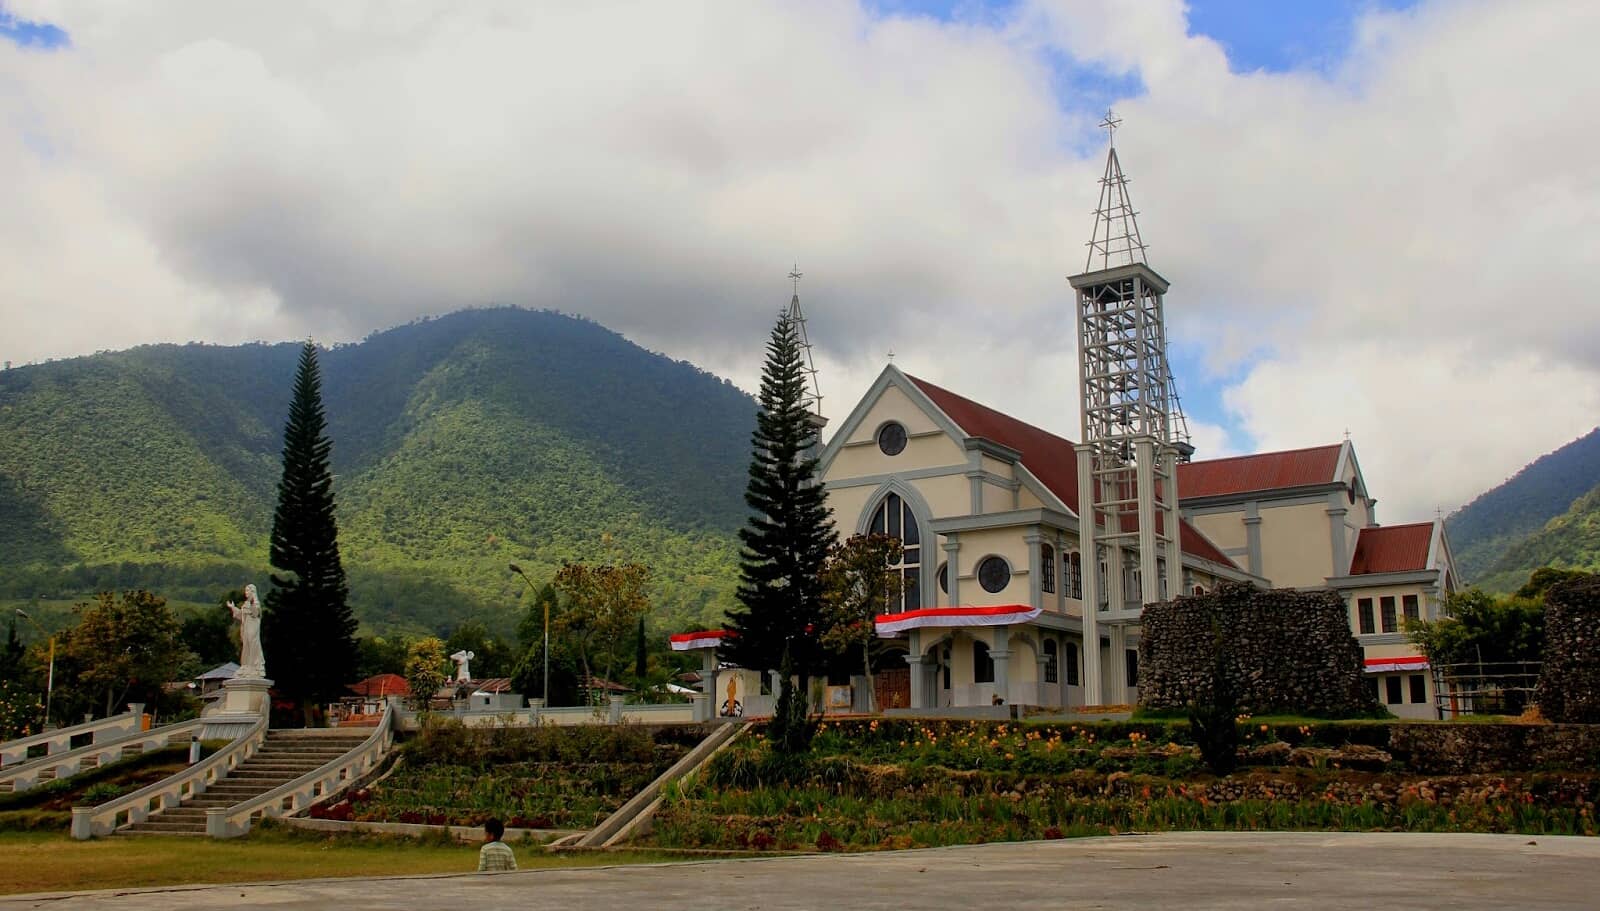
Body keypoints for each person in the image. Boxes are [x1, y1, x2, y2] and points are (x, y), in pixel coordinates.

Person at [227, 583, 266, 679]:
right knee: (246, 647)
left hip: (253, 630)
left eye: (248, 591)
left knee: (253, 646)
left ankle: (255, 667)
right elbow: (241, 615)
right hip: (246, 630)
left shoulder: (256, 604)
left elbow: (256, 613)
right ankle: (246, 666)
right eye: (245, 591)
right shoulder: (245, 604)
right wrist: (233, 607)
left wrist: (251, 604)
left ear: (253, 592)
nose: (246, 593)